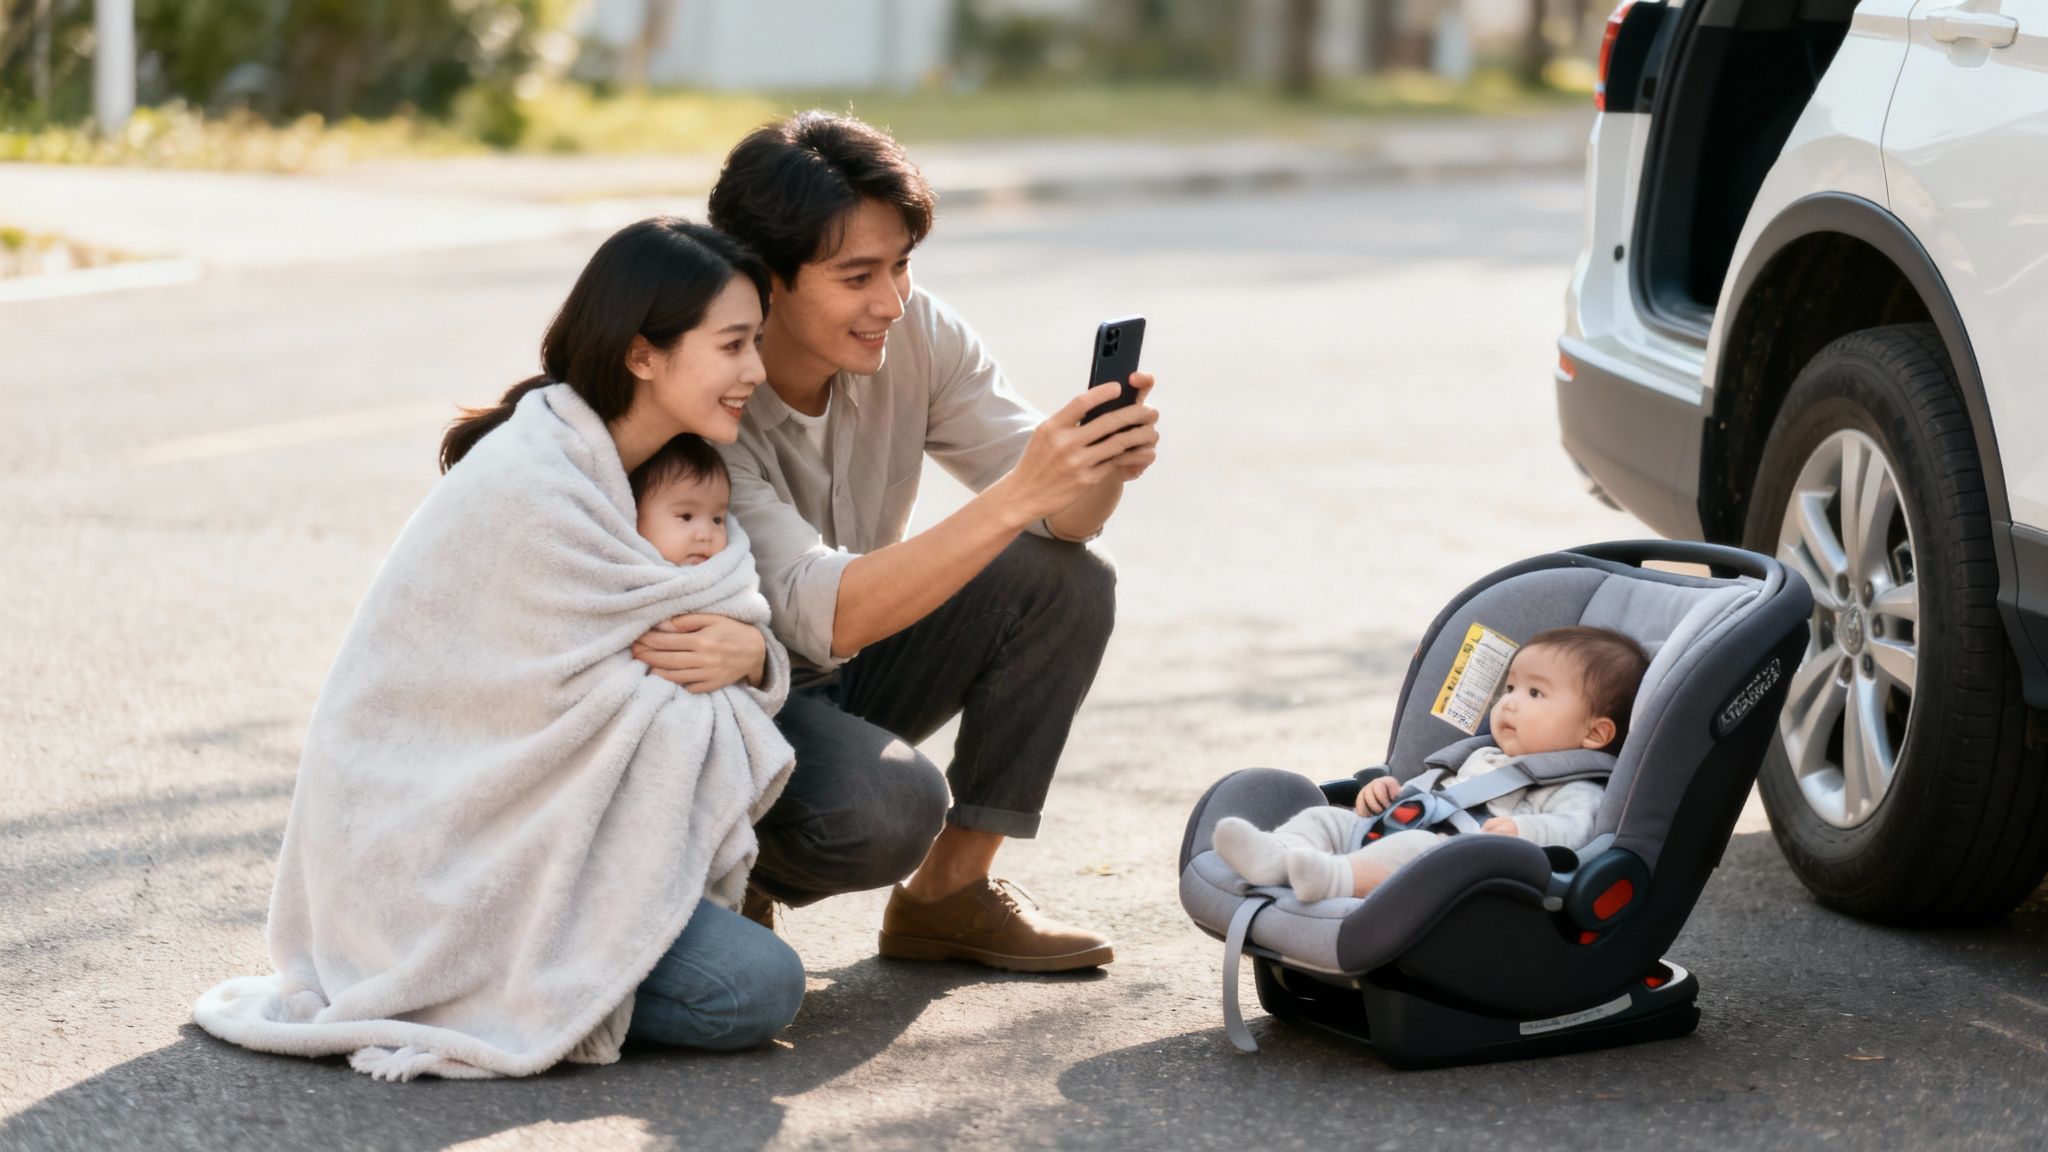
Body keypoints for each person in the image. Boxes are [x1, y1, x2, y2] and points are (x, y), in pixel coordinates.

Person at [194, 218, 806, 1080]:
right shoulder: (528, 484)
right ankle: (513, 977)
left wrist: (750, 655)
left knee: (798, 904)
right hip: (440, 866)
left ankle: (599, 956)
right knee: (757, 989)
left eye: (758, 343)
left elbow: (696, 625)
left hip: (572, 836)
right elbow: (522, 709)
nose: (756, 371)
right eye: (735, 344)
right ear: (643, 355)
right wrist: (715, 665)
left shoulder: (673, 473)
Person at [681, 111, 1160, 972]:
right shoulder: (711, 388)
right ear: (765, 280)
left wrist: (1097, 470)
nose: (890, 301)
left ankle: (951, 896)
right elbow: (819, 615)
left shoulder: (916, 333)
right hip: (734, 691)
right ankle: (724, 866)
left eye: (901, 265)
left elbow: (1056, 520)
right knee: (887, 808)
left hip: (848, 656)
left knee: (1067, 578)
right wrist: (1026, 492)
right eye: (857, 274)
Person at [1213, 626, 1650, 902]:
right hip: (1395, 831)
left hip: (1453, 868)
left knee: (1420, 851)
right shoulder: (1480, 755)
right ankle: (1278, 855)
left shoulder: (1578, 786)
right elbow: (1431, 795)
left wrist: (1524, 832)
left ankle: (1331, 878)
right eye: (1510, 687)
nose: (1510, 703)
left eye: (1535, 694)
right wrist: (1388, 796)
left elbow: (1578, 829)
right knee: (1326, 817)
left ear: (1595, 734)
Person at [631, 433, 733, 569]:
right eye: (686, 517)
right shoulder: (622, 573)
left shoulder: (731, 577)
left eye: (717, 520)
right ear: (634, 513)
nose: (706, 535)